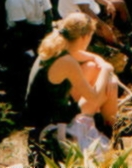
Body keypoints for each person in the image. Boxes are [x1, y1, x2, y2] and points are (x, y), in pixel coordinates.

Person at [25, 13, 118, 145]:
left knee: (92, 66)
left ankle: (109, 129)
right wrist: (106, 69)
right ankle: (112, 132)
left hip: (49, 112)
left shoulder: (56, 47)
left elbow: (86, 56)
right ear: (84, 37)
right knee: (109, 84)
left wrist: (101, 63)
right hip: (52, 126)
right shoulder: (67, 62)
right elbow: (95, 98)